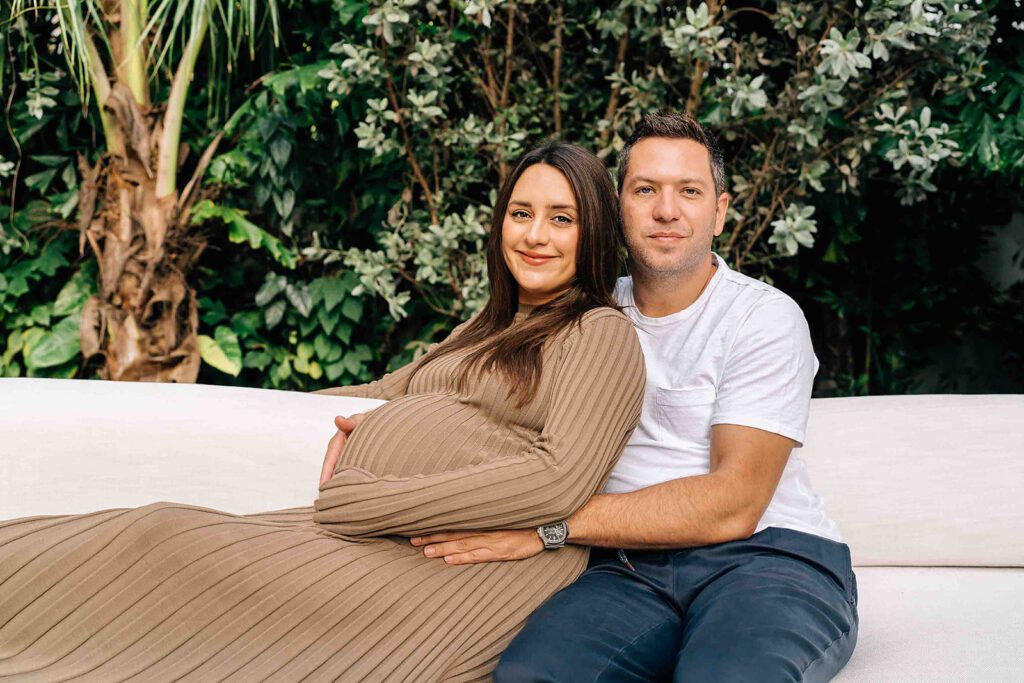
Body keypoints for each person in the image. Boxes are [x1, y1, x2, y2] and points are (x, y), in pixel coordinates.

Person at [0, 142, 645, 681]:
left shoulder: (599, 333)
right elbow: (385, 391)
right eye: (521, 212)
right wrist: (237, 412)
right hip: (375, 534)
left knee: (172, 548)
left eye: (561, 219)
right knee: (155, 531)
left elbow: (558, 477)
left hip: (468, 566)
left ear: (592, 233)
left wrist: (363, 502)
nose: (534, 235)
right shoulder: (494, 324)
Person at [376, 113, 858, 681]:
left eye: (690, 191)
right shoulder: (578, 314)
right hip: (627, 568)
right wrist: (359, 423)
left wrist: (544, 528)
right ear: (616, 208)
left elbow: (735, 502)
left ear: (720, 212)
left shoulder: (762, 317)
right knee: (531, 676)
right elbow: (438, 384)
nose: (666, 210)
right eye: (645, 189)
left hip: (770, 558)